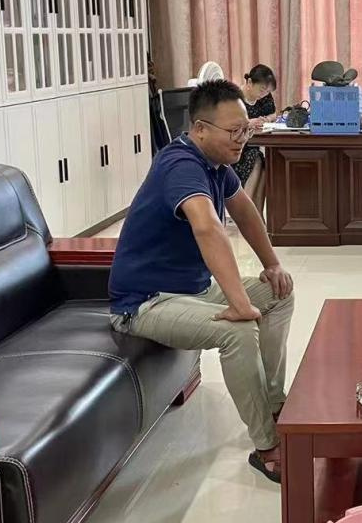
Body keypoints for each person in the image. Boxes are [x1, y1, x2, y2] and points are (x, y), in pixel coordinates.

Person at [109, 79, 296, 483]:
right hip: (146, 302)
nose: (242, 140)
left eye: (245, 130)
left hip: (193, 291)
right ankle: (267, 446)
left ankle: (275, 403)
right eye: (234, 132)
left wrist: (273, 265)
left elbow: (244, 212)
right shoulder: (180, 165)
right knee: (238, 330)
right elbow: (208, 227)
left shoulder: (217, 166)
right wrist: (238, 302)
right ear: (200, 129)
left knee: (279, 291)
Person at [232, 64, 278, 212]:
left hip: (253, 144)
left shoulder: (264, 97)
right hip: (236, 149)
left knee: (265, 165)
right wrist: (248, 123)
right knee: (256, 159)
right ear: (250, 82)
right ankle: (244, 211)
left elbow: (273, 114)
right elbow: (228, 124)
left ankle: (257, 214)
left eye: (268, 91)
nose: (264, 94)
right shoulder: (234, 98)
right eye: (262, 90)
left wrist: (266, 119)